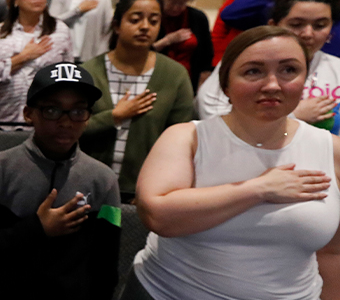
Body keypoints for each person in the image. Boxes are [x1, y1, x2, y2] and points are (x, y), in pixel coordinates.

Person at [128, 26, 340, 299]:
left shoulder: (331, 151)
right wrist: (259, 189)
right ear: (225, 84)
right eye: (253, 71)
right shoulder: (187, 138)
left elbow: (333, 252)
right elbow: (157, 215)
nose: (273, 85)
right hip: (168, 292)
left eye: (289, 70)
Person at [0, 62, 120, 299]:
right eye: (52, 110)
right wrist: (37, 229)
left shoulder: (103, 180)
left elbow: (105, 267)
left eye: (78, 111)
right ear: (29, 114)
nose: (66, 122)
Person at [78, 0, 193, 201]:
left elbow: (182, 140)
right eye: (135, 19)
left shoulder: (174, 75)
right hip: (87, 187)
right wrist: (113, 117)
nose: (145, 27)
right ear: (116, 25)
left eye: (154, 20)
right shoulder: (89, 72)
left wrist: (159, 186)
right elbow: (68, 130)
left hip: (145, 191)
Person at [196, 0, 340, 128]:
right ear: (274, 25)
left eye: (320, 26)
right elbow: (210, 114)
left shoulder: (336, 68)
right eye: (296, 24)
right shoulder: (244, 61)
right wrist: (293, 115)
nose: (308, 34)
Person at [0, 0, 74, 125]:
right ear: (16, 0)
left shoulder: (60, 31)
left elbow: (69, 79)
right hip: (4, 119)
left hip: (47, 122)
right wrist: (23, 57)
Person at [152, 0, 211, 91]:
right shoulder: (152, 16)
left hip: (187, 80)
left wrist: (203, 83)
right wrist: (167, 40)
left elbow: (206, 53)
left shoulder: (198, 18)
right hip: (155, 79)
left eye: (182, 3)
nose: (176, 7)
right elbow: (140, 52)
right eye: (172, 1)